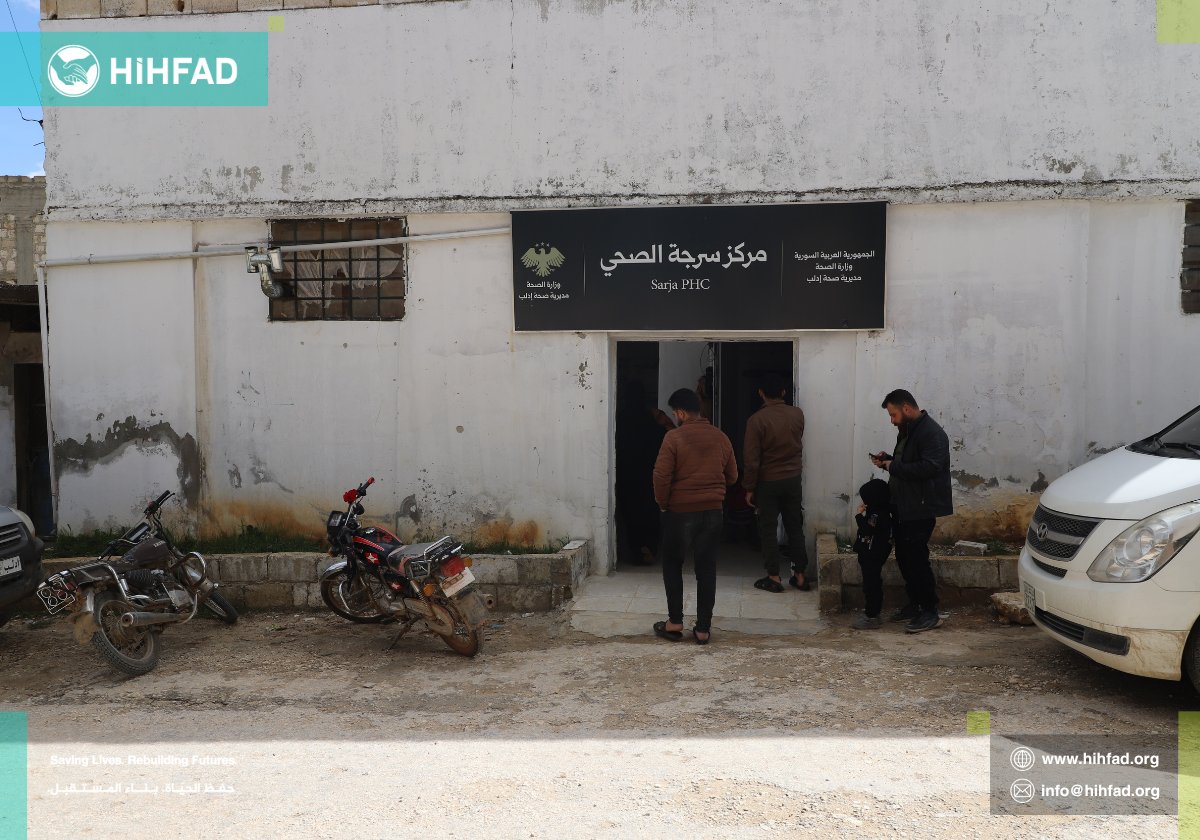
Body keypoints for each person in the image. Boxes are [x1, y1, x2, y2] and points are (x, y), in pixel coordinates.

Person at [652, 387, 737, 645]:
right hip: (713, 512)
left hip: (679, 512)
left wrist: (663, 503)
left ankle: (675, 621)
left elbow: (661, 476)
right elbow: (732, 476)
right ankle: (702, 629)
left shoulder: (673, 438)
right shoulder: (721, 437)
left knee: (672, 564)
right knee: (706, 569)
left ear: (679, 412)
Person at [869, 389, 953, 633]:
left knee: (916, 560)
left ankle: (930, 610)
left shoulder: (932, 433)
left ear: (906, 408)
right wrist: (888, 460)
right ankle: (915, 604)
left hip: (921, 507)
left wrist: (893, 466)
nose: (892, 420)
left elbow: (929, 468)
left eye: (893, 414)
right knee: (905, 558)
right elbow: (907, 463)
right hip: (904, 505)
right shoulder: (908, 431)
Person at [743, 372, 809, 594]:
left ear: (760, 393)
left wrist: (749, 487)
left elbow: (752, 460)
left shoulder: (756, 421)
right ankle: (800, 575)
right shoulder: (797, 414)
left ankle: (773, 576)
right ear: (783, 392)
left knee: (768, 529)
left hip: (768, 481)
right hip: (792, 479)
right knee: (794, 525)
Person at [614, 380, 668, 566]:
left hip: (626, 474)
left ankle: (637, 551)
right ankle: (650, 548)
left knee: (630, 514)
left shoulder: (619, 419)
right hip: (648, 474)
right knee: (649, 512)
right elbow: (664, 442)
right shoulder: (650, 419)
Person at [851, 478, 892, 630]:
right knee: (873, 583)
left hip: (871, 555)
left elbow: (867, 530)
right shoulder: (884, 512)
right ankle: (874, 613)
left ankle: (872, 616)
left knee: (871, 585)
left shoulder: (876, 515)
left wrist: (858, 516)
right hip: (874, 554)